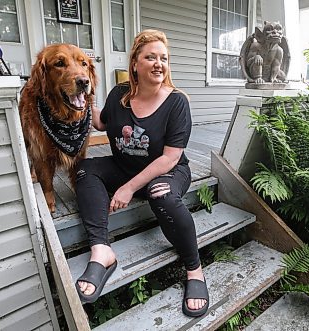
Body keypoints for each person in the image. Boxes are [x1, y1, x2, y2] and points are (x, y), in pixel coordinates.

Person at [75, 29, 209, 317]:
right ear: (135, 63)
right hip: (125, 166)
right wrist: (85, 100)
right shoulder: (120, 94)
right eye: (151, 57)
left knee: (160, 193)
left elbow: (170, 158)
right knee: (85, 169)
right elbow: (101, 124)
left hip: (169, 170)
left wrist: (128, 188)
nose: (159, 63)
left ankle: (194, 270)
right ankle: (102, 251)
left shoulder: (177, 102)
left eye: (164, 58)